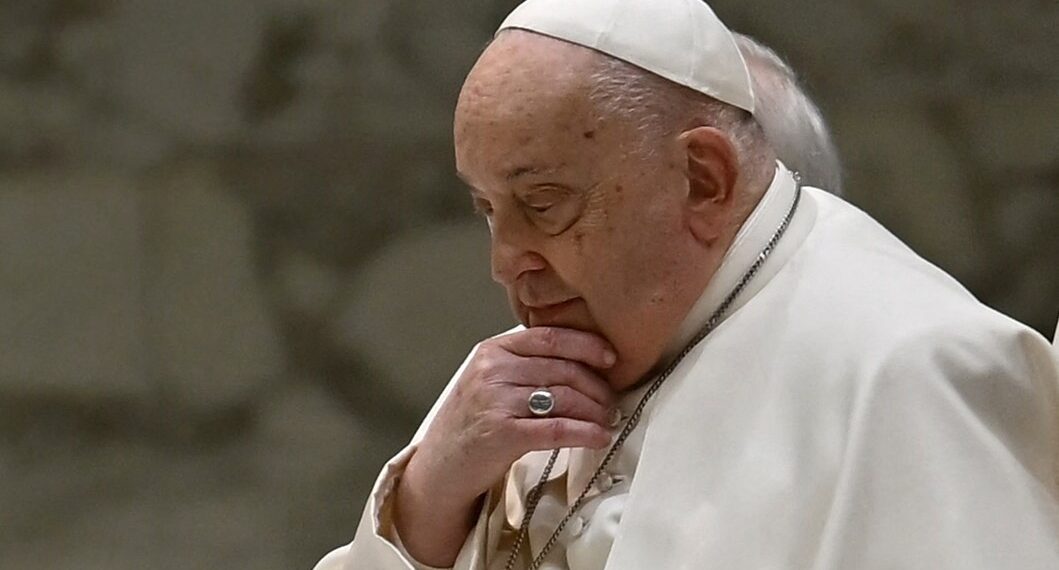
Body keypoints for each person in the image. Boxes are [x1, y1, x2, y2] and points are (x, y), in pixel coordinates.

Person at [317, 0, 1059, 568]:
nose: (506, 259)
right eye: (486, 211)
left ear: (704, 179)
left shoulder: (907, 372)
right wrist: (425, 504)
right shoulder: (528, 365)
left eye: (543, 205)